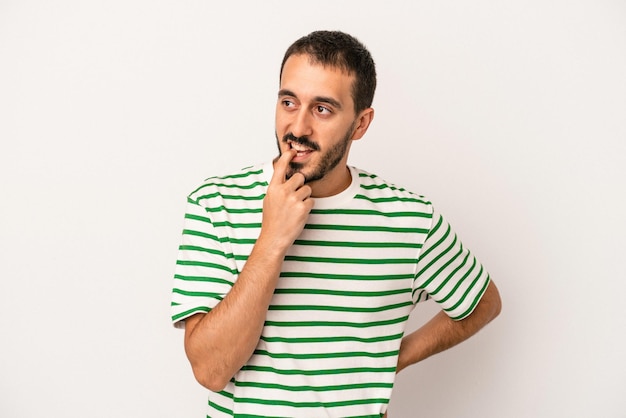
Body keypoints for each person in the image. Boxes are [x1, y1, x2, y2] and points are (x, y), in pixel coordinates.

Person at [171, 30, 502, 418]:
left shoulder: (410, 219)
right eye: (289, 102)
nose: (298, 128)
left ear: (360, 124)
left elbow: (483, 303)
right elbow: (211, 371)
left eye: (323, 109)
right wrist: (272, 240)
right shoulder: (217, 203)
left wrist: (391, 360)